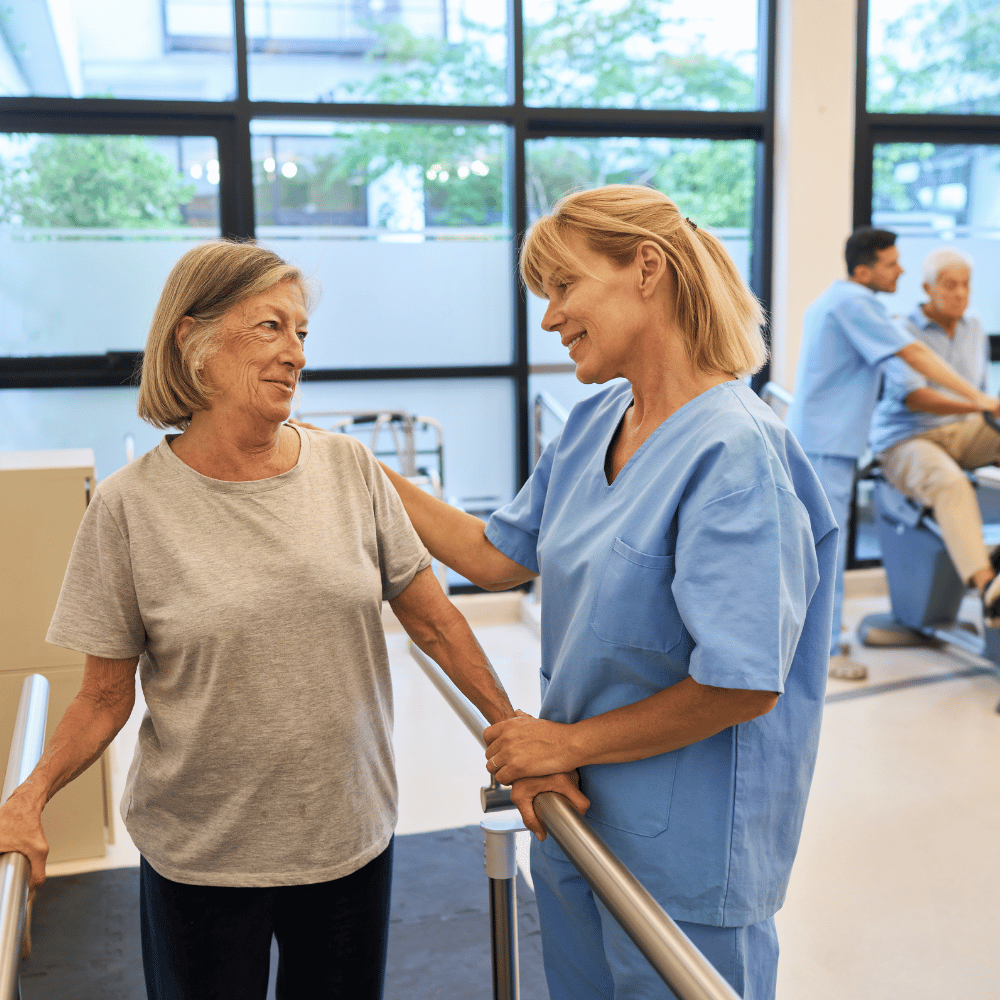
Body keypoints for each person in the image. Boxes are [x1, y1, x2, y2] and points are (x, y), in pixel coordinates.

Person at [0, 240, 582, 1000]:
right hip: (201, 857)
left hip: (347, 841)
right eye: (270, 327)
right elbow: (104, 696)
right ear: (193, 341)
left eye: (302, 333)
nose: (295, 354)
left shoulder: (350, 470)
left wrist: (515, 737)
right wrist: (27, 796)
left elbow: (436, 623)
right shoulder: (128, 507)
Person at [376, 185, 838, 1000]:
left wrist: (562, 746)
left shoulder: (736, 453)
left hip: (685, 855)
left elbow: (744, 682)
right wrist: (362, 474)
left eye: (564, 288)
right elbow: (493, 556)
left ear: (647, 269)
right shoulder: (596, 422)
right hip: (577, 821)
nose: (549, 319)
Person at [786, 227, 1000, 681]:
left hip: (830, 441)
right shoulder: (854, 303)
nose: (899, 269)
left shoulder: (839, 301)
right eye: (891, 263)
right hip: (829, 444)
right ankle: (822, 652)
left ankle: (822, 640)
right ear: (864, 269)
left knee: (822, 545)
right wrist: (980, 401)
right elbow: (914, 356)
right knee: (825, 548)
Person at [870, 247, 1000, 620]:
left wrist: (984, 408)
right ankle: (988, 587)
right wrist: (981, 405)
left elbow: (981, 396)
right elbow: (916, 398)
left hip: (961, 432)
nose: (960, 293)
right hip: (908, 438)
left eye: (966, 285)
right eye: (950, 285)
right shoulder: (902, 329)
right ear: (927, 289)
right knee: (950, 483)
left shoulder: (974, 327)